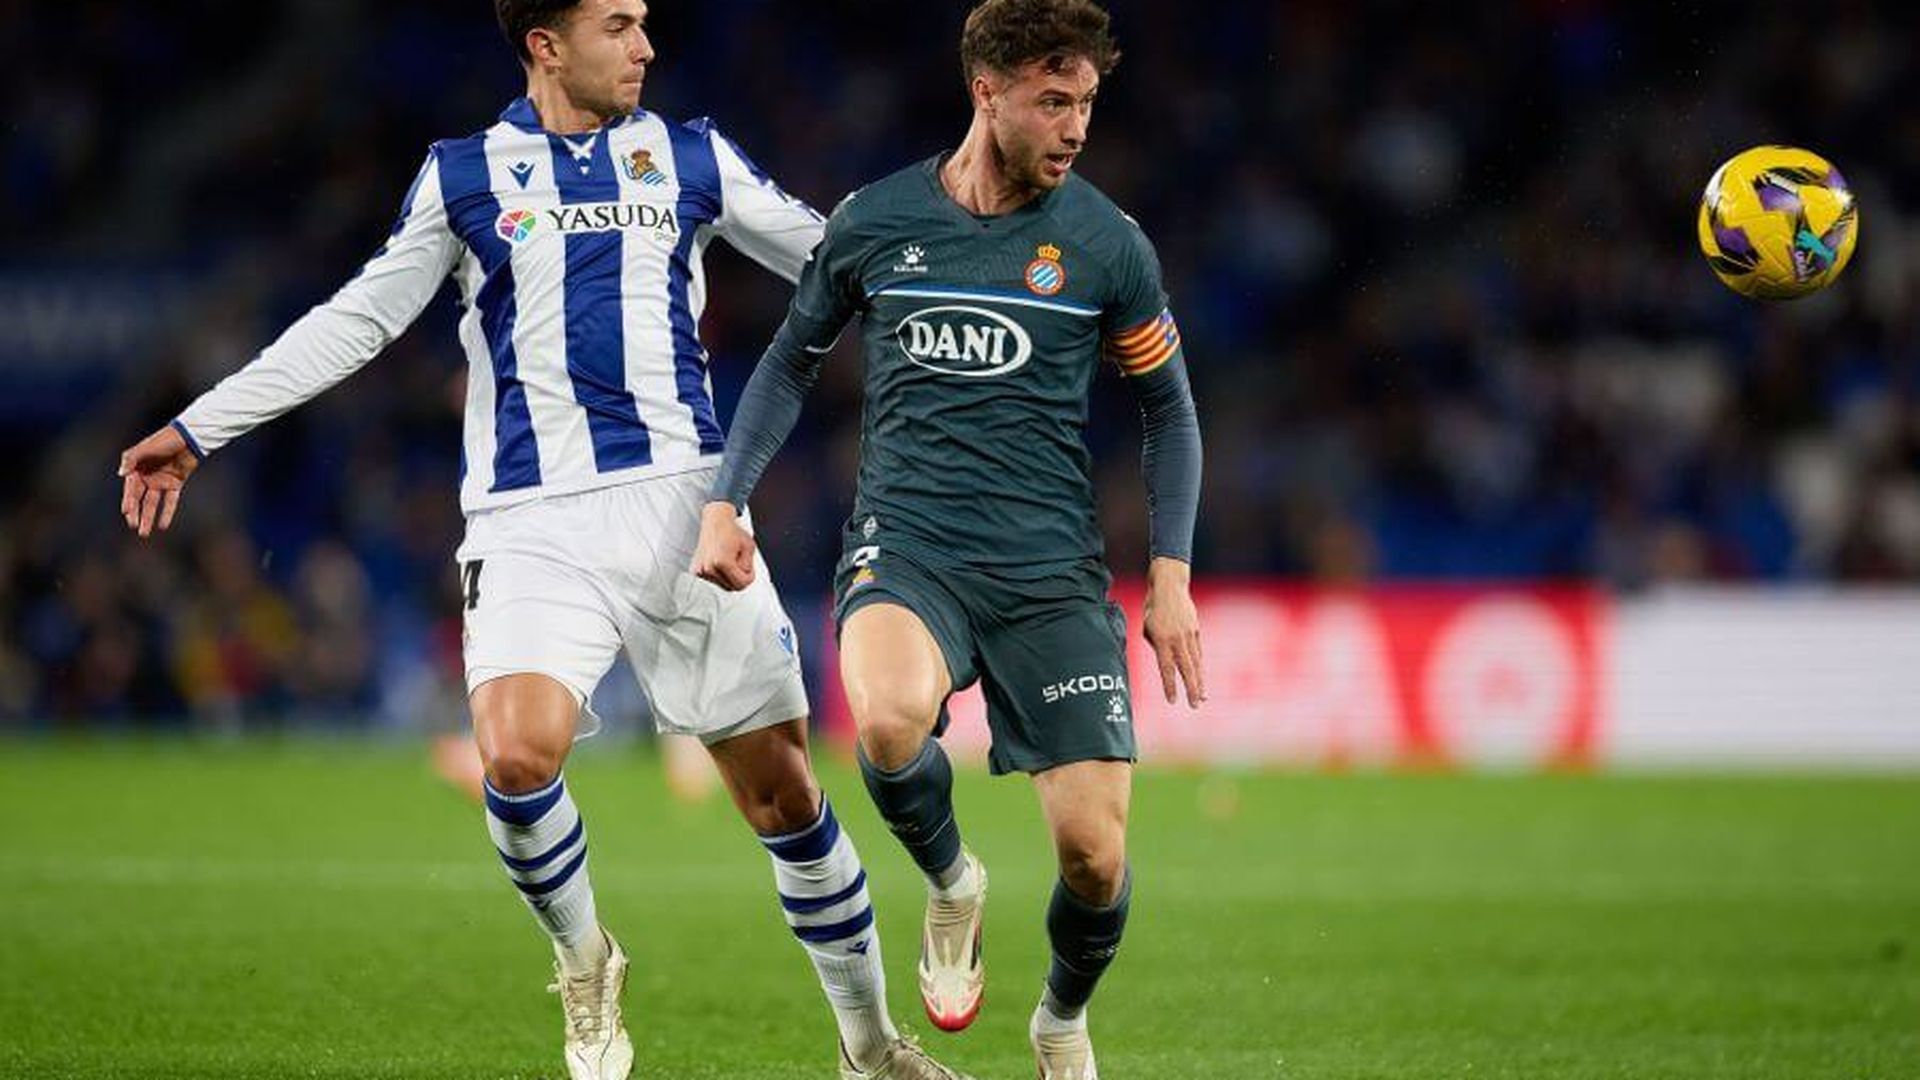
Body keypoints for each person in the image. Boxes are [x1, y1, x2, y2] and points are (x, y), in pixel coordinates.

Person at [116, 2, 972, 1078]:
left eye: (647, 23)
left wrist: (976, 274)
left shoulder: (689, 156)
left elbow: (836, 254)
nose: (646, 46)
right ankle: (585, 961)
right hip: (530, 520)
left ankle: (869, 1048)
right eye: (619, 24)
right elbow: (357, 319)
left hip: (686, 505)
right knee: (516, 758)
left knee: (786, 797)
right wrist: (203, 428)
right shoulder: (464, 177)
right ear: (545, 43)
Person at [692, 1, 1205, 1076]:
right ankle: (952, 882)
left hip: (1051, 576)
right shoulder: (876, 223)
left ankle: (1060, 1017)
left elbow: (1168, 407)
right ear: (987, 90)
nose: (1074, 128)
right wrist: (728, 498)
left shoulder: (1108, 246)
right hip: (909, 546)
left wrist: (1169, 576)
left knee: (1096, 860)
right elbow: (790, 360)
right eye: (1052, 101)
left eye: (1087, 105)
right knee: (883, 723)